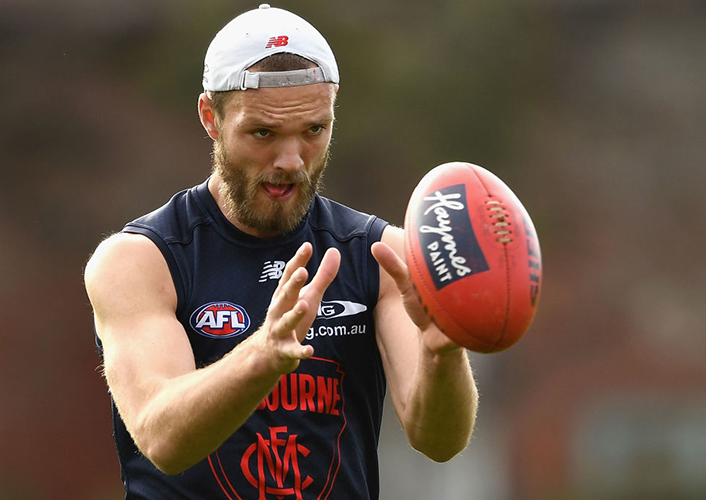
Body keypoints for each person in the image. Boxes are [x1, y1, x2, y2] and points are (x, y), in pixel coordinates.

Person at [84, 4, 478, 499]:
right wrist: (262, 356)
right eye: (263, 133)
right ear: (211, 117)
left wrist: (444, 349)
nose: (291, 161)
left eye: (314, 130)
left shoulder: (380, 256)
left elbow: (438, 440)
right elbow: (161, 436)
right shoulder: (141, 260)